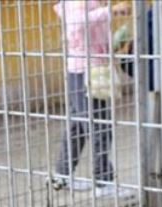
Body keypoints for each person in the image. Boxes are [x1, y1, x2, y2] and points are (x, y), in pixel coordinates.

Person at [52, 0, 130, 196]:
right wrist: (110, 11)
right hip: (86, 71)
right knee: (99, 127)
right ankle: (103, 182)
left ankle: (62, 174)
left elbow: (90, 34)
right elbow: (76, 24)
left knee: (77, 126)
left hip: (86, 69)